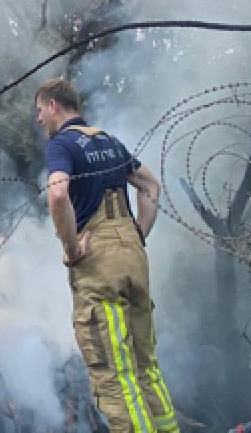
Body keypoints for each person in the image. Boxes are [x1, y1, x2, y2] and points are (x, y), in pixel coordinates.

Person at [35, 78, 179, 433]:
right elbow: (150, 186)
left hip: (98, 264)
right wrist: (136, 235)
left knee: (115, 376)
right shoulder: (109, 141)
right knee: (147, 368)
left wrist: (71, 248)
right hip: (133, 257)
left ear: (54, 106)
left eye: (39, 111)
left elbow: (57, 194)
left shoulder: (62, 144)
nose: (39, 120)